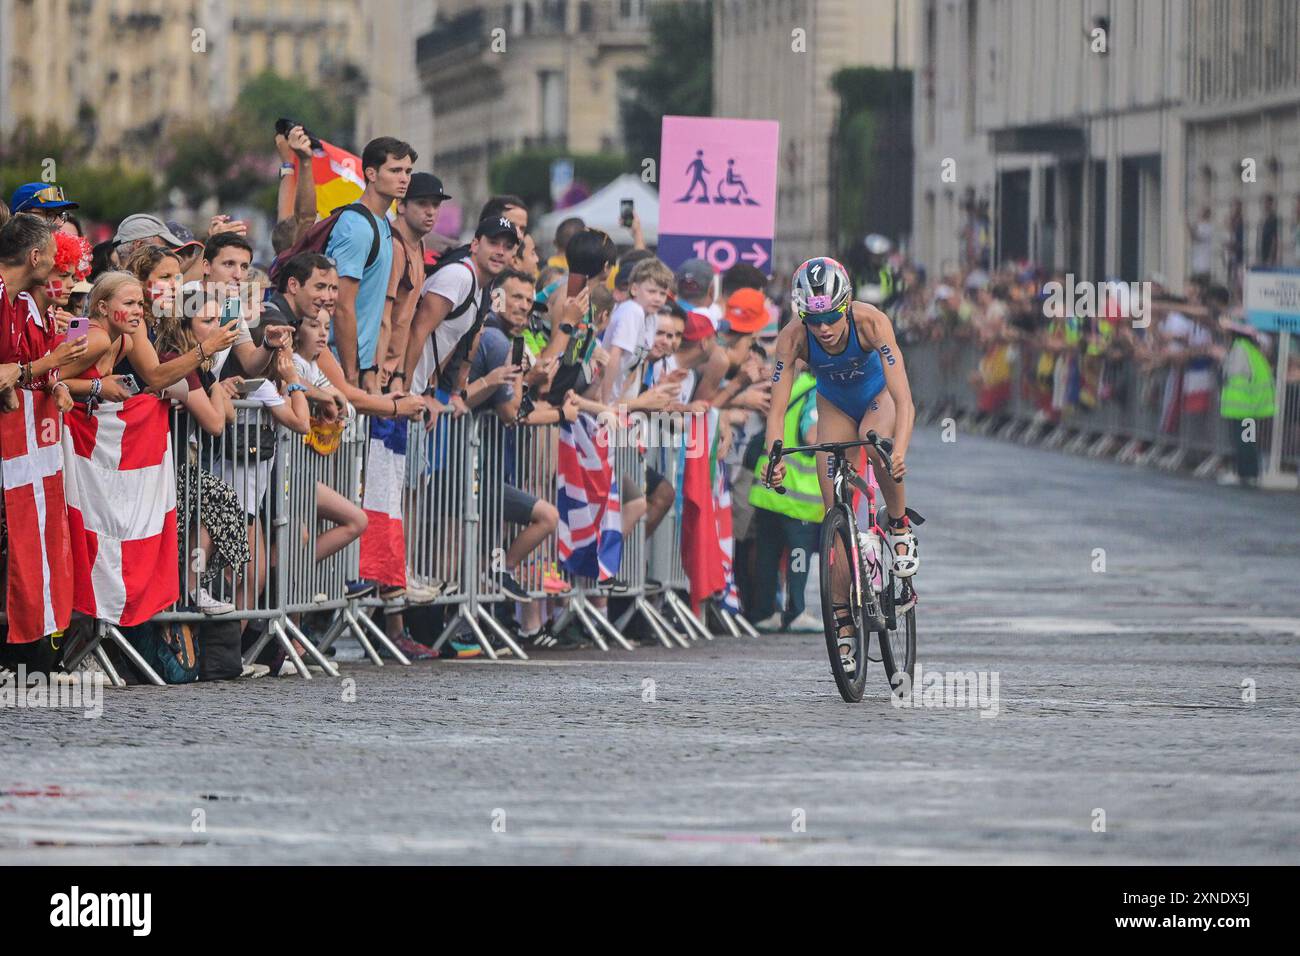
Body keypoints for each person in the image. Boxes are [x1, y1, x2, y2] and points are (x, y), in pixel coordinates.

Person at [760, 257, 918, 671]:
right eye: (813, 320)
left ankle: (899, 526)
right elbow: (776, 411)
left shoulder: (871, 322)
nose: (824, 328)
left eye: (831, 317)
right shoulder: (793, 338)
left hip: (876, 398)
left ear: (846, 306)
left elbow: (904, 399)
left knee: (874, 441)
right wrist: (773, 457)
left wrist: (899, 450)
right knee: (834, 517)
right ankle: (844, 623)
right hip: (834, 405)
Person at [154, 286, 250, 614]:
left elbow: (231, 414)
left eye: (217, 318)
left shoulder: (200, 366)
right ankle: (189, 588)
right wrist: (214, 391)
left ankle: (192, 587)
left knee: (212, 508)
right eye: (207, 320)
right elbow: (215, 423)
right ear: (184, 326)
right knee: (216, 501)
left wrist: (215, 387)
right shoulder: (175, 361)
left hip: (180, 463)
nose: (216, 327)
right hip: (164, 466)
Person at [402, 215, 519, 408]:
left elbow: (447, 342)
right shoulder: (460, 276)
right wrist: (405, 389)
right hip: (400, 391)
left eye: (507, 247)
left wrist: (429, 391)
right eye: (493, 243)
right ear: (475, 245)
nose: (500, 251)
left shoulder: (480, 288)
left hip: (415, 393)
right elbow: (417, 330)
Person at [328, 136, 414, 388]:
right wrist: (351, 373)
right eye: (395, 170)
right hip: (340, 368)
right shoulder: (356, 227)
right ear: (371, 173)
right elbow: (342, 306)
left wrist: (370, 369)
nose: (404, 178)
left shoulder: (383, 222)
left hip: (364, 370)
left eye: (408, 171)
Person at [379, 171, 450, 393]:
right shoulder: (393, 247)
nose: (430, 212)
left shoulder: (419, 246)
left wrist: (399, 374)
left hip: (392, 376)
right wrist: (375, 375)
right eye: (422, 203)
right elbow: (382, 317)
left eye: (436, 205)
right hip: (374, 374)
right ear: (400, 206)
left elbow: (405, 318)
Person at [1217, 314, 1275, 486]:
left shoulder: (1240, 349)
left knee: (1245, 442)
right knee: (1246, 441)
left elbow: (1233, 372)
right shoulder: (1249, 348)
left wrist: (1222, 361)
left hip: (1243, 407)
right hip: (1246, 407)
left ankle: (1247, 473)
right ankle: (1247, 473)